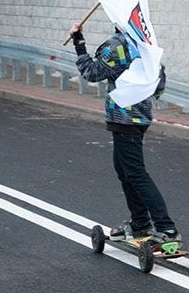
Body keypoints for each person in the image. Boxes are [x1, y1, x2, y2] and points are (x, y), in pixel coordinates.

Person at [70, 22, 178, 243]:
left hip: (123, 117)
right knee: (124, 169)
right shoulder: (146, 45)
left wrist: (79, 43)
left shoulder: (116, 45)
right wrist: (144, 102)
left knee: (135, 173)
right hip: (142, 116)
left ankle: (166, 228)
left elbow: (91, 73)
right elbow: (160, 80)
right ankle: (140, 222)